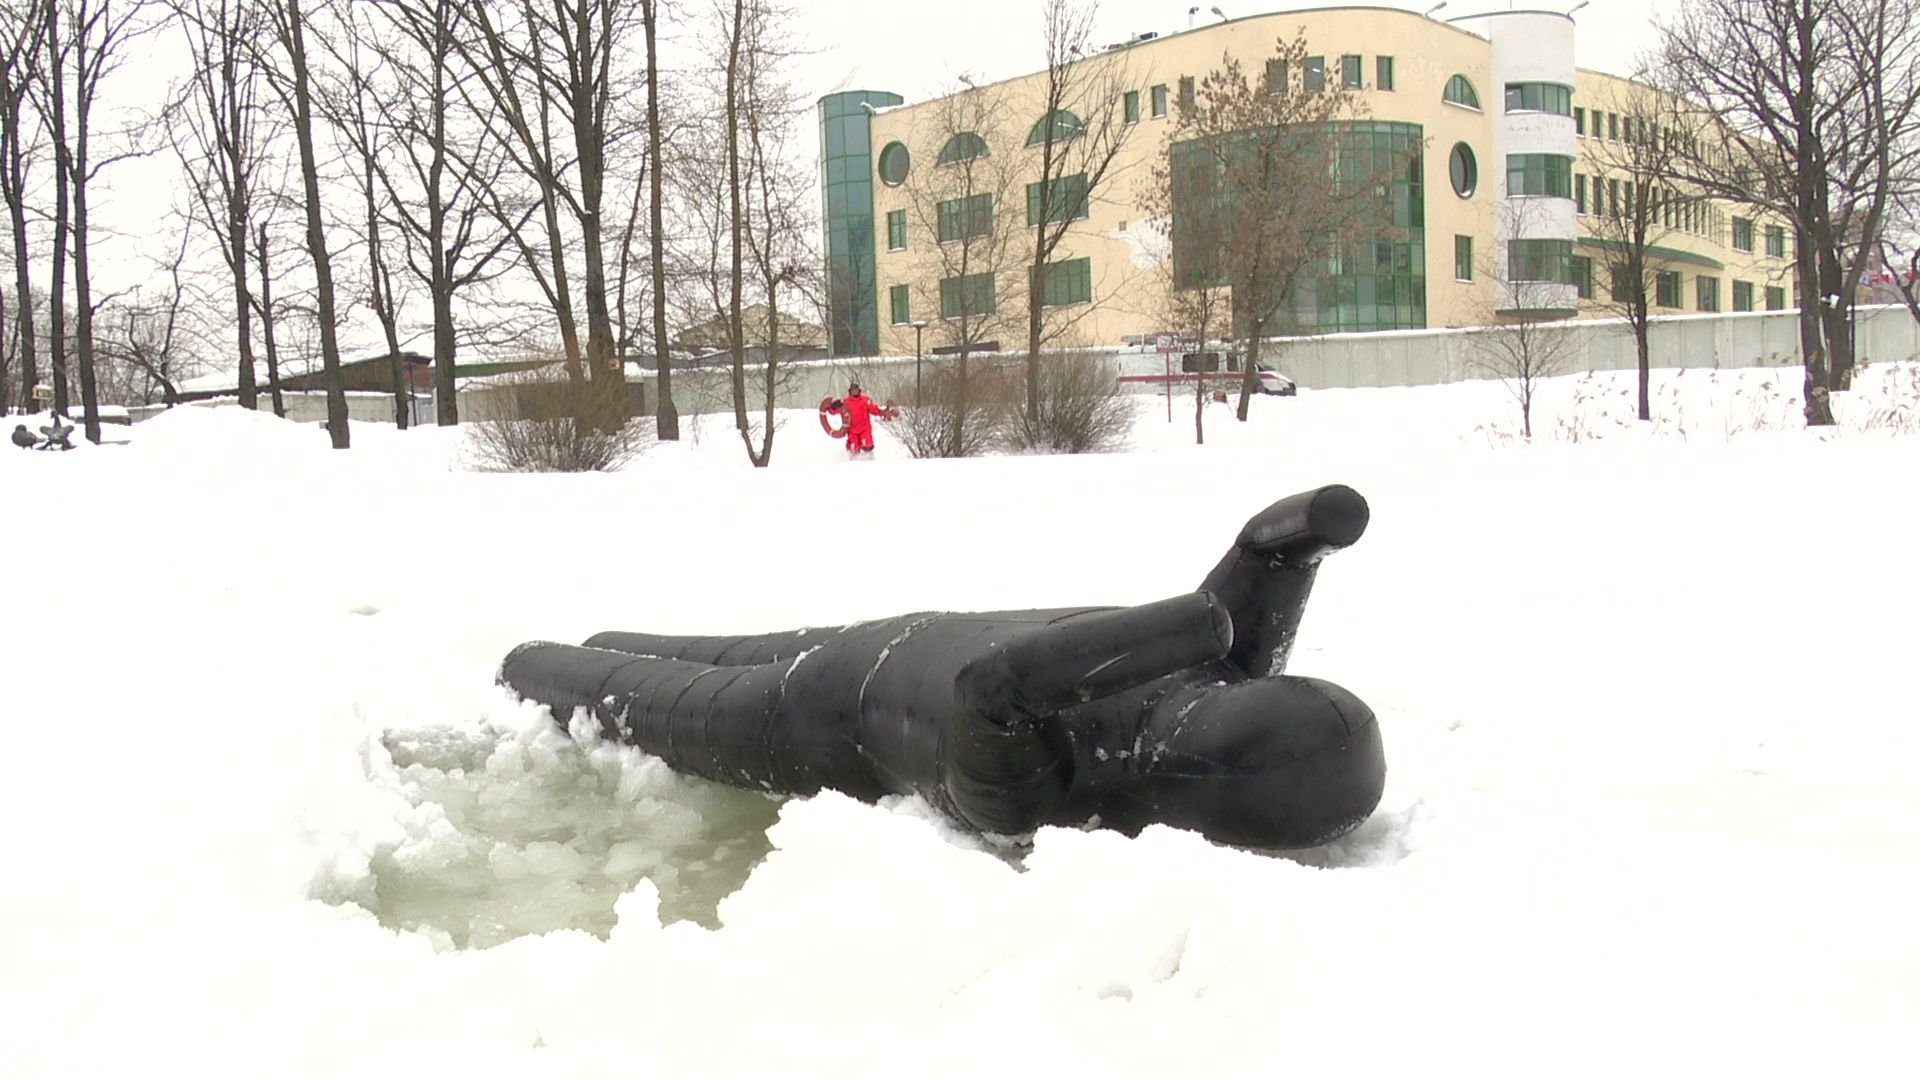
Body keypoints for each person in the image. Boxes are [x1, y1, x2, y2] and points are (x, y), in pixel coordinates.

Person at [500, 485, 1384, 849]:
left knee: (654, 696)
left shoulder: (1049, 789)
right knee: (679, 647)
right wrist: (1297, 535)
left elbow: (989, 693)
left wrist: (1174, 628)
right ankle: (598, 634)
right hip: (915, 630)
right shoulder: (1225, 668)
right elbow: (1260, 562)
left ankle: (527, 664)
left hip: (823, 708)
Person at [829, 380, 887, 455]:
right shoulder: (845, 402)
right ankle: (850, 457)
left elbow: (873, 409)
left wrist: (882, 412)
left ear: (859, 390)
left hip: (864, 429)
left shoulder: (865, 400)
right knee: (853, 450)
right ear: (850, 391)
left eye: (856, 390)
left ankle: (869, 459)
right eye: (853, 390)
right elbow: (835, 411)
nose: (855, 391)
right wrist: (832, 408)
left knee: (868, 447)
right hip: (852, 430)